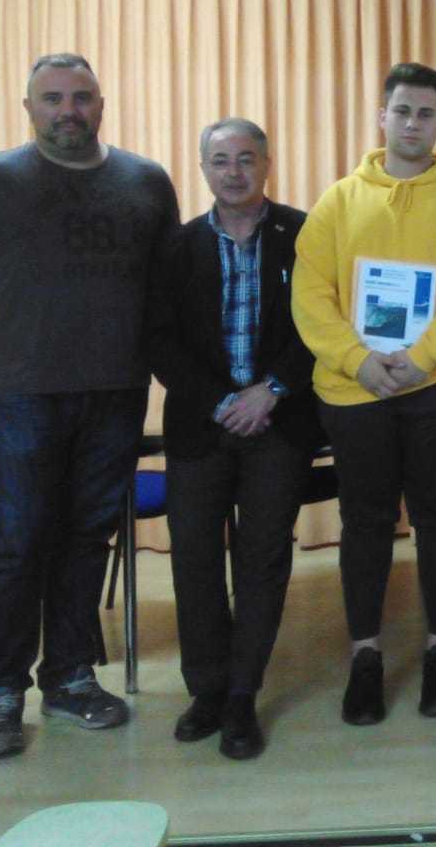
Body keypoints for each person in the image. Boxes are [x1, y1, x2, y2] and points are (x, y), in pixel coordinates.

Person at [0, 53, 179, 761]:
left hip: (117, 393)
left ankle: (69, 678)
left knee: (85, 540)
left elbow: (168, 285)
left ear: (101, 104)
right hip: (26, 396)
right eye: (52, 98)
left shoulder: (146, 182)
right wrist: (21, 337)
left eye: (81, 97)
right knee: (16, 547)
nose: (68, 110)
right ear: (29, 108)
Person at [291, 61, 436, 724]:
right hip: (355, 391)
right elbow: (311, 295)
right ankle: (366, 657)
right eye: (402, 111)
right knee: (366, 522)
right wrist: (358, 361)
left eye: (426, 113)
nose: (413, 123)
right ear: (382, 117)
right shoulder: (338, 201)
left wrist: (420, 359)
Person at [146, 118, 323, 759]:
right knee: (194, 561)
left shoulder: (305, 234)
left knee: (262, 561)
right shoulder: (177, 246)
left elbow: (322, 324)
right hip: (202, 426)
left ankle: (244, 693)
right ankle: (208, 691)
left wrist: (271, 389)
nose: (234, 172)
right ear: (203, 170)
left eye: (246, 158)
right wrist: (223, 401)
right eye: (220, 161)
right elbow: (160, 339)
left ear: (267, 164)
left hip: (279, 421)